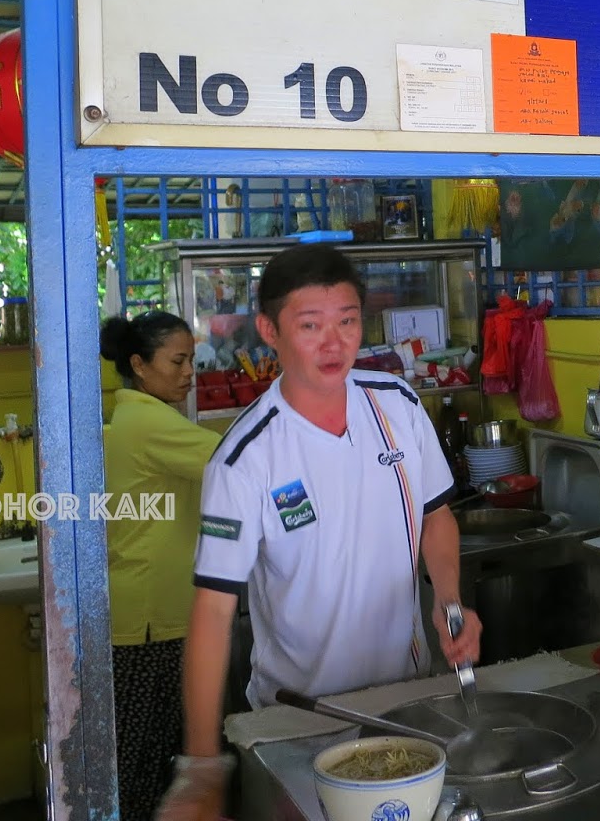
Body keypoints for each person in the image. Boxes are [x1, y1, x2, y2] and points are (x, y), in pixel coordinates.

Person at [157, 246, 481, 821]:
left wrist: (450, 601)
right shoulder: (244, 458)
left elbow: (435, 515)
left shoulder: (397, 405)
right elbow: (211, 611)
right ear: (269, 331)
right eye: (310, 326)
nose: (334, 344)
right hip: (297, 717)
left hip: (403, 700)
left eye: (347, 321)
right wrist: (202, 767)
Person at [100, 310, 222, 821]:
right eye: (178, 360)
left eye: (192, 359)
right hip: (152, 619)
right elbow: (233, 461)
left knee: (143, 757)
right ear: (139, 365)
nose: (189, 371)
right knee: (148, 762)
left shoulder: (134, 418)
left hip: (141, 611)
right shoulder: (149, 423)